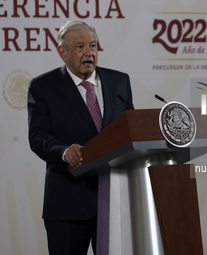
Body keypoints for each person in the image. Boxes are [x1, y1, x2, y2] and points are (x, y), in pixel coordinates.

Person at [27, 21, 134, 255]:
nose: (89, 52)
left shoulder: (119, 82)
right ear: (62, 52)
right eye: (80, 47)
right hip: (68, 205)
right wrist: (64, 152)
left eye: (93, 45)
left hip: (115, 203)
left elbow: (131, 130)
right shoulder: (44, 87)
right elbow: (38, 137)